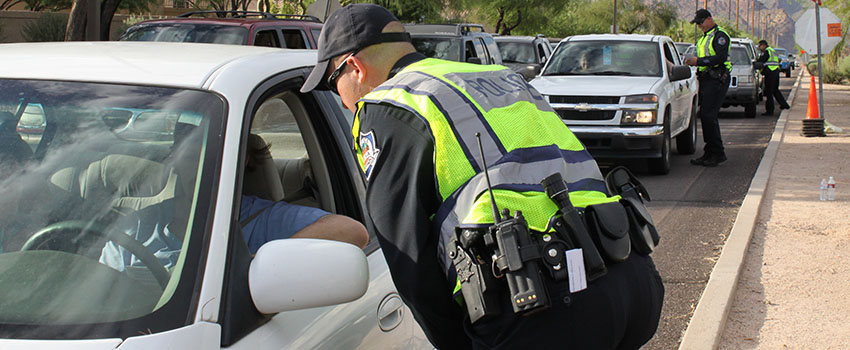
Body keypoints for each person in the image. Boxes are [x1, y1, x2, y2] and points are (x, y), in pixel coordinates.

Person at [300, 4, 664, 349]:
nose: (343, 102)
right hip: (628, 276)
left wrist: (459, 343)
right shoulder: (499, 77)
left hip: (541, 308)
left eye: (333, 84)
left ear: (355, 68)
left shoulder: (389, 104)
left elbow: (407, 254)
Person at [684, 9, 731, 167]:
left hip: (716, 78)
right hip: (706, 79)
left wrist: (698, 61)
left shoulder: (720, 36)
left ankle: (717, 153)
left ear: (709, 19)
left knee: (709, 116)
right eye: (697, 23)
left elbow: (720, 58)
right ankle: (709, 152)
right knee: (705, 117)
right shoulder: (705, 37)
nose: (699, 26)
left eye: (701, 22)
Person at [756, 40, 791, 116]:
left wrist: (756, 63)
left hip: (770, 73)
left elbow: (761, 60)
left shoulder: (766, 52)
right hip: (775, 71)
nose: (759, 48)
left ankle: (770, 110)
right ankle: (784, 105)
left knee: (769, 92)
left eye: (759, 46)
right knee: (775, 90)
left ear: (764, 45)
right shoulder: (772, 50)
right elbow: (778, 59)